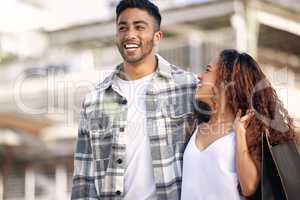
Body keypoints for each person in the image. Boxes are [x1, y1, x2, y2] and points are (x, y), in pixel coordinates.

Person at [71, 0, 197, 199]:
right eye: (123, 28)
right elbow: (83, 178)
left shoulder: (188, 87)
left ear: (157, 37)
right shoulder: (95, 100)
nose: (130, 34)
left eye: (139, 27)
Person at [181, 49, 296, 200]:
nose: (200, 76)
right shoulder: (196, 125)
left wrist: (240, 135)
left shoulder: (248, 131)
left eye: (208, 70)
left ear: (225, 81)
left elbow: (248, 187)